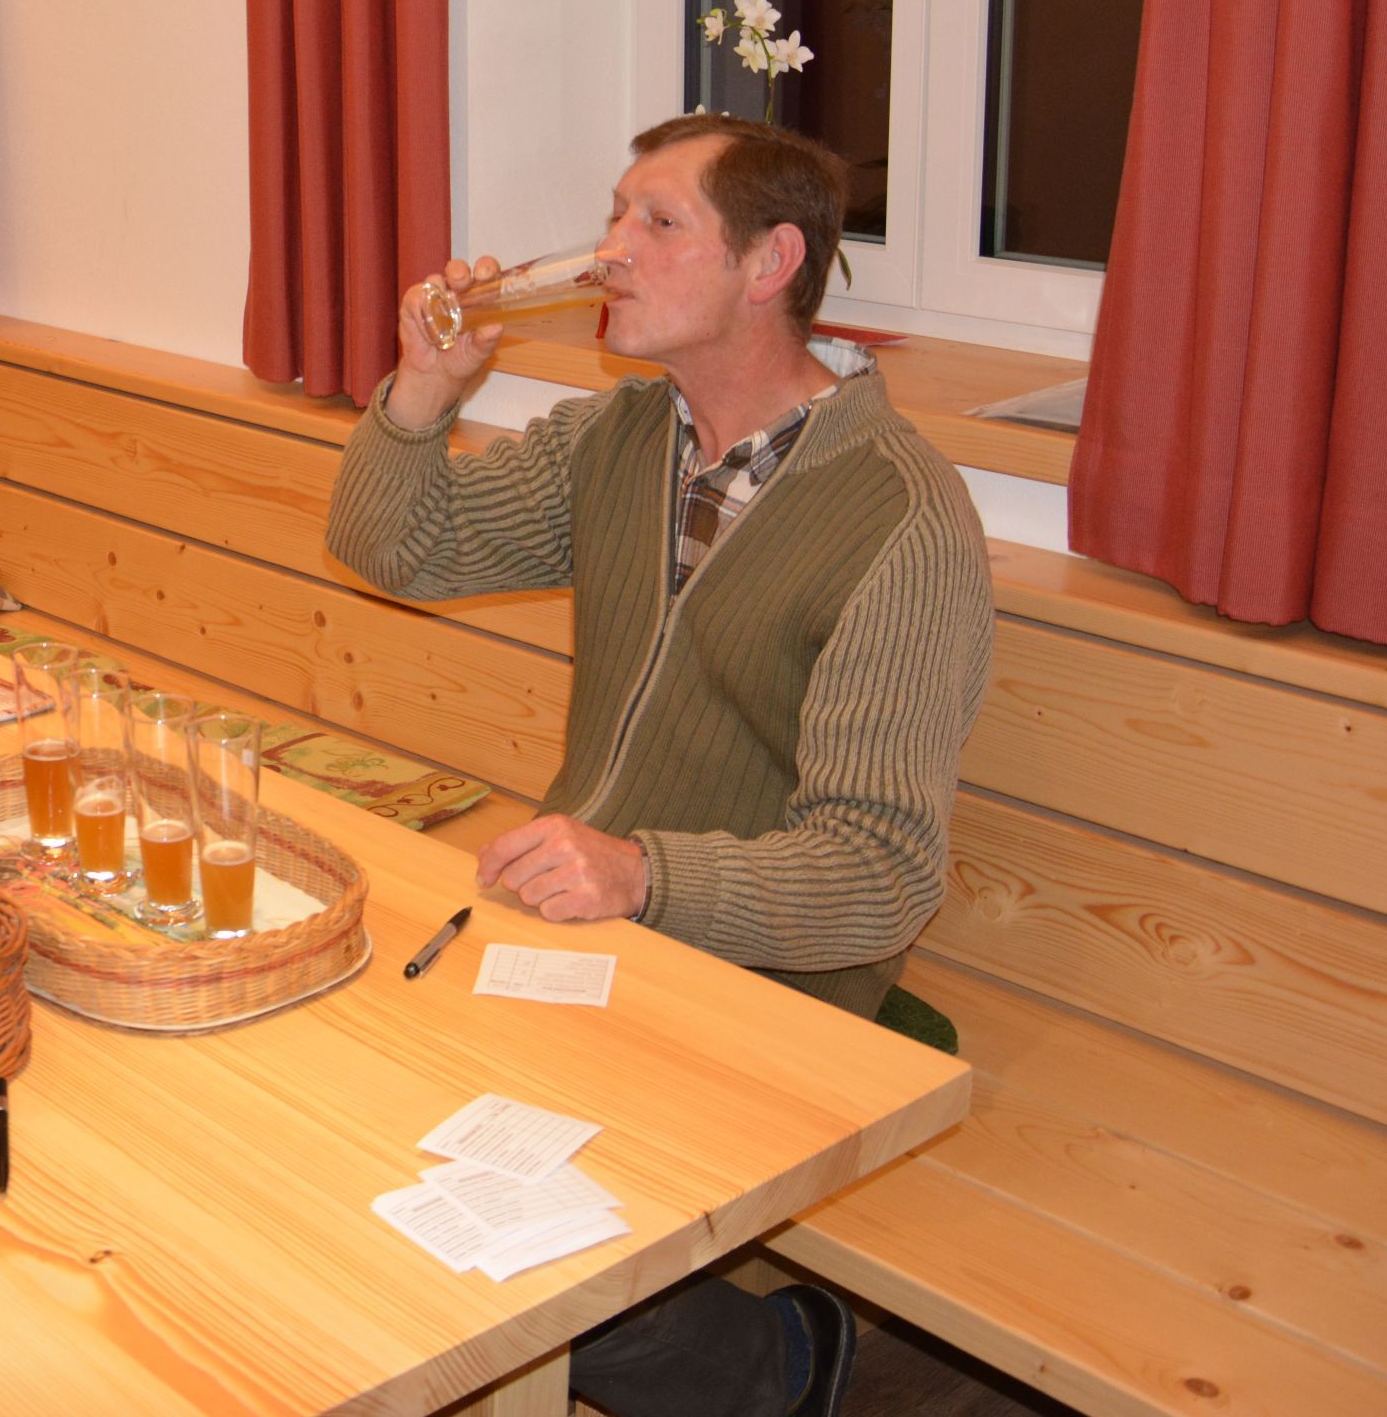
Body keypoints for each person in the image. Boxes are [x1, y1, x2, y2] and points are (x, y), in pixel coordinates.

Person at [325, 114, 994, 1417]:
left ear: (768, 263)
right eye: (615, 214)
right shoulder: (624, 438)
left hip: (763, 974)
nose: (609, 251)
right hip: (577, 932)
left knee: (476, 1224)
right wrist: (422, 391)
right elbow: (398, 547)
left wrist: (642, 876)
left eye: (658, 221)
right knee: (344, 1109)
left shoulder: (900, 519)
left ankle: (771, 1368)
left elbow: (881, 877)